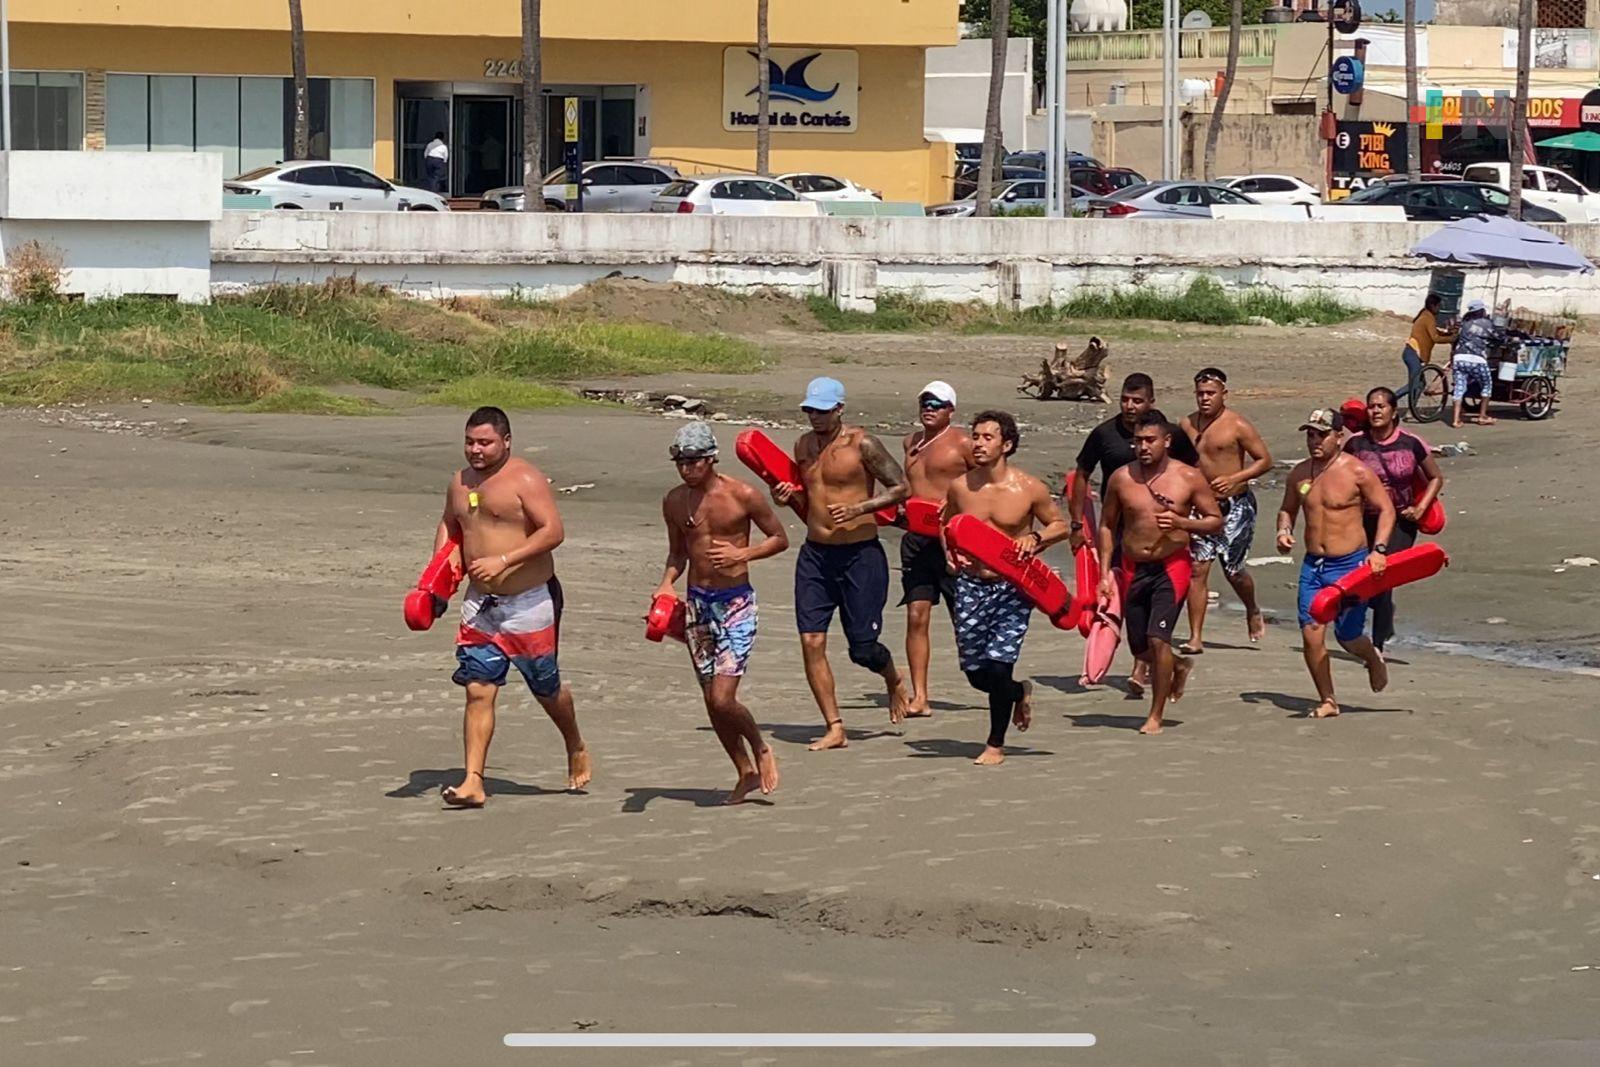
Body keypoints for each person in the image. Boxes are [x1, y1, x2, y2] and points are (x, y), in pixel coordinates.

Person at [434, 407, 590, 807]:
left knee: (546, 689)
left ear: (506, 441)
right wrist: (436, 577)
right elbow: (451, 524)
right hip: (481, 604)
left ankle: (574, 742)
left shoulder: (525, 479)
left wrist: (503, 561)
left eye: (485, 442)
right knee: (477, 689)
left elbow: (553, 531)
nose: (476, 450)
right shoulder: (459, 482)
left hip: (529, 601)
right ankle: (473, 781)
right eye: (470, 442)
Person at [774, 377, 912, 751]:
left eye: (822, 411)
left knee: (862, 649)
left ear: (839, 409)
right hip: (816, 555)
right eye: (809, 410)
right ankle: (834, 726)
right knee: (811, 640)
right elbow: (806, 498)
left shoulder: (863, 444)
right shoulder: (803, 445)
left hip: (860, 555)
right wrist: (784, 497)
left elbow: (902, 488)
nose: (815, 417)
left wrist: (859, 508)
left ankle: (892, 675)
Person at [654, 423, 789, 803]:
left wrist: (742, 554)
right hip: (698, 605)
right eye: (681, 462)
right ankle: (744, 771)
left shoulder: (742, 494)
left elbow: (780, 538)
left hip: (735, 604)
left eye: (694, 461)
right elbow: (678, 553)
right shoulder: (674, 501)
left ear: (711, 458)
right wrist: (665, 584)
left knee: (724, 699)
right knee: (710, 699)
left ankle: (760, 747)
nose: (686, 469)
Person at [943, 410, 1070, 766]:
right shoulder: (960, 487)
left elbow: (1061, 525)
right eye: (976, 436)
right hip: (970, 585)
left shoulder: (1028, 488)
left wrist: (1035, 538)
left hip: (1013, 586)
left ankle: (994, 744)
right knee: (976, 673)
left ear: (1007, 445)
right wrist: (951, 555)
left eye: (988, 437)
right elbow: (945, 523)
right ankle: (1017, 692)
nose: (978, 443)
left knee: (999, 666)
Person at [1067, 373, 1199, 695]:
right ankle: (1162, 663)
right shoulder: (1104, 434)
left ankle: (1141, 670)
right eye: (1125, 399)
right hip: (1119, 531)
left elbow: (1194, 474)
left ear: (1151, 402)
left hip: (1163, 535)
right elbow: (1081, 473)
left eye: (1137, 401)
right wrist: (1077, 523)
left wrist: (1187, 521)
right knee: (1127, 603)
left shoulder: (1170, 435)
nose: (1129, 406)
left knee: (1156, 608)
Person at [1097, 412, 1222, 735]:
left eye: (1150, 440)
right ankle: (1177, 666)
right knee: (1139, 647)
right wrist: (1103, 573)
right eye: (1137, 441)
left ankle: (1155, 714)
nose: (1143, 447)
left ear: (1166, 441)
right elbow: (1107, 525)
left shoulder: (1188, 477)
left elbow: (1215, 520)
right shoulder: (1121, 478)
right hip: (1132, 566)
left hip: (1171, 565)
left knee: (1158, 638)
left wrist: (1182, 523)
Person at [1276, 408, 1396, 718]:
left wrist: (1379, 550)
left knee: (1347, 637)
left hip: (1350, 566)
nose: (1314, 441)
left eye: (1322, 434)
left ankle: (1372, 657)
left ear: (1339, 437)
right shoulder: (1299, 474)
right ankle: (1328, 700)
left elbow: (1386, 509)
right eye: (1310, 434)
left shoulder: (1357, 472)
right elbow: (1287, 509)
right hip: (1313, 566)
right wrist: (1284, 530)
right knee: (1311, 632)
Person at [1178, 368, 1273, 654]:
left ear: (1224, 394)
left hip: (1235, 505)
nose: (1205, 399)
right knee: (1197, 570)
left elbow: (1264, 460)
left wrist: (1235, 478)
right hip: (1201, 507)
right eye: (1200, 393)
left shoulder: (1237, 425)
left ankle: (1252, 608)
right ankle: (1195, 637)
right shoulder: (1186, 425)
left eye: (1211, 393)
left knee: (1234, 571)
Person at [1344, 388, 1444, 652]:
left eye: (1381, 406)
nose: (1375, 411)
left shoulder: (1411, 443)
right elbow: (1342, 477)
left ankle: (1377, 645)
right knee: (1365, 577)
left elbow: (1435, 477)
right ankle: (1382, 615)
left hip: (1401, 521)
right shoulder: (1355, 445)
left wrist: (1421, 508)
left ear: (1393, 411)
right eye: (1371, 406)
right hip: (1365, 520)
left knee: (1382, 575)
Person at [897, 380, 974, 718]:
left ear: (950, 410)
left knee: (965, 622)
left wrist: (958, 503)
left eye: (936, 404)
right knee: (916, 615)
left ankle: (1000, 684)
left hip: (953, 541)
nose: (929, 409)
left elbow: (986, 482)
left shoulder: (963, 444)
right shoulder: (910, 442)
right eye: (925, 403)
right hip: (916, 540)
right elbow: (908, 486)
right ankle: (920, 696)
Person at [1398, 293, 1455, 411]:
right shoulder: (1428, 318)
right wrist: (1452, 339)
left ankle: (1412, 411)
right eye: (1438, 306)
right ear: (1433, 306)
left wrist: (1448, 334)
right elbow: (1435, 338)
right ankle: (1390, 398)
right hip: (1413, 353)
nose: (1439, 309)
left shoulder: (1425, 315)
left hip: (1412, 354)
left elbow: (1434, 332)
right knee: (1414, 384)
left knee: (1420, 385)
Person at [1449, 299, 1500, 429]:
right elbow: (1498, 336)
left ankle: (1456, 420)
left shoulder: (1464, 323)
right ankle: (1482, 416)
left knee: (1459, 388)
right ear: (1482, 310)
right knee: (1487, 385)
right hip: (1477, 360)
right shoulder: (1485, 323)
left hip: (1459, 359)